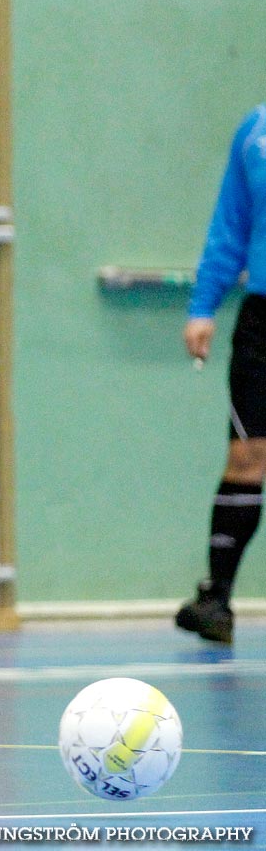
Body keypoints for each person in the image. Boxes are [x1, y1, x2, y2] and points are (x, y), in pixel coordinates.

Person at [176, 103, 266, 646]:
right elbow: (231, 222)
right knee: (246, 454)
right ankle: (216, 600)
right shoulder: (255, 131)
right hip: (262, 319)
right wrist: (203, 304)